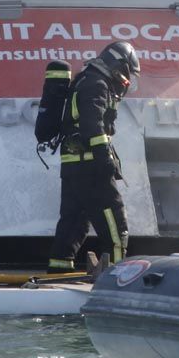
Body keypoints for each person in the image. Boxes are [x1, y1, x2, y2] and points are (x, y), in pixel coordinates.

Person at [47, 41, 138, 274]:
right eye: (127, 72)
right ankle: (117, 274)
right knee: (115, 222)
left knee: (74, 221)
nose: (127, 80)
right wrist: (104, 160)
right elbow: (92, 126)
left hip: (74, 166)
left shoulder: (87, 80)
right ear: (119, 64)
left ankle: (59, 270)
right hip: (91, 166)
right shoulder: (97, 84)